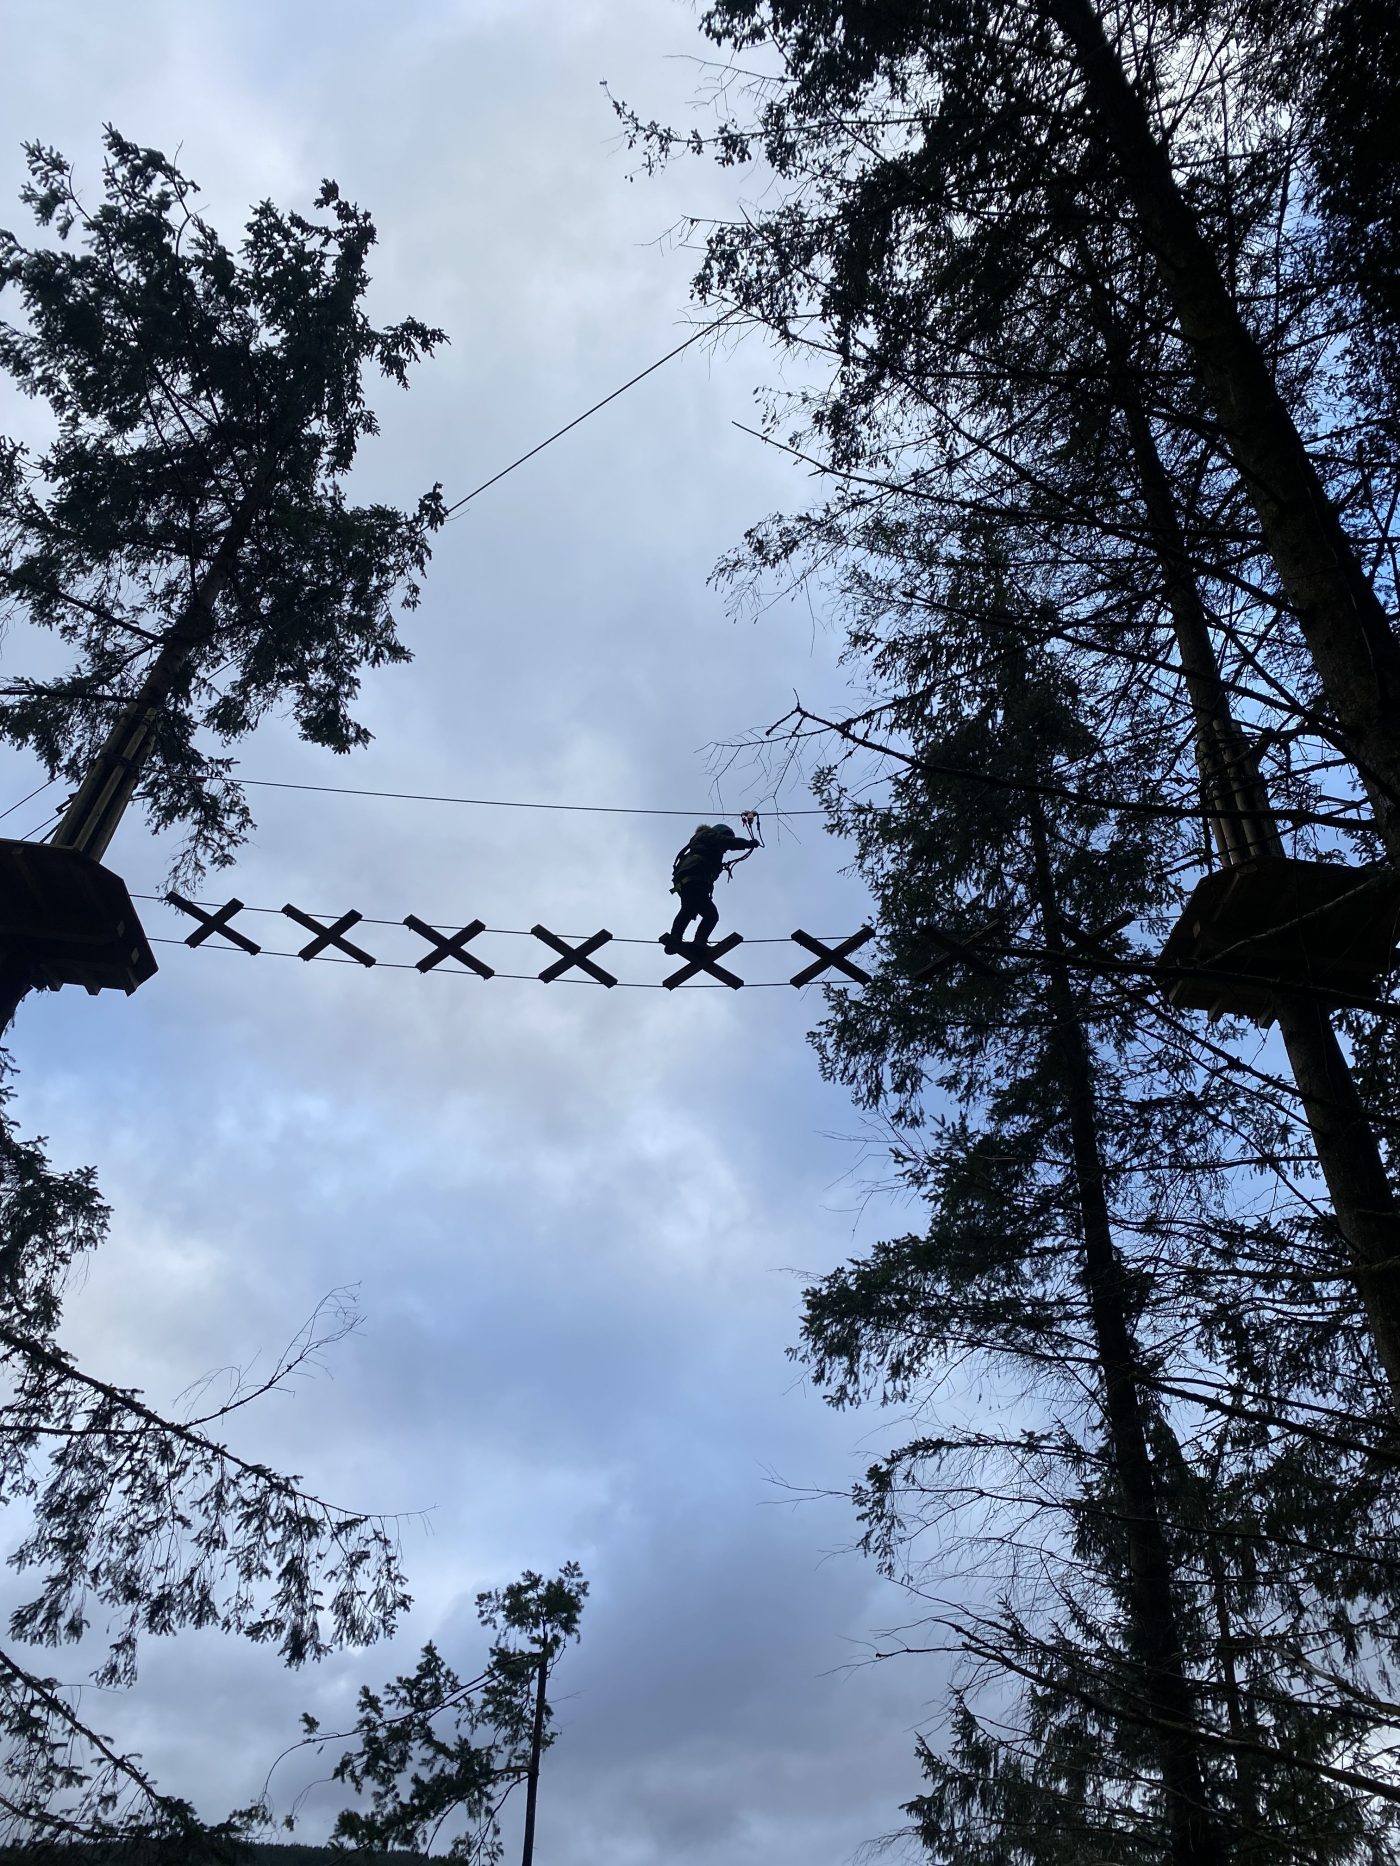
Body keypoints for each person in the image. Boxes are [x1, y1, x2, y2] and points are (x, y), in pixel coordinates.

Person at [661, 822, 759, 953]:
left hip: (688, 880)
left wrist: (717, 866)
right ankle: (697, 941)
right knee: (710, 915)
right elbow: (726, 841)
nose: (725, 850)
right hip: (694, 879)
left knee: (689, 909)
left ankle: (678, 937)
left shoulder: (704, 846)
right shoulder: (708, 835)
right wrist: (747, 843)